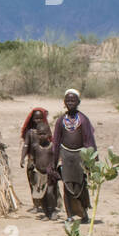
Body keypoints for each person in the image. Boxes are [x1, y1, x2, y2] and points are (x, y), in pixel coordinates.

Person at [51, 89, 97, 221]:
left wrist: (92, 160)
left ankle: (84, 213)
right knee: (66, 185)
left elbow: (89, 141)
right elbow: (56, 141)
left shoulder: (83, 120)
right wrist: (54, 162)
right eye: (68, 100)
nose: (70, 102)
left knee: (81, 185)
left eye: (73, 100)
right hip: (65, 156)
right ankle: (69, 215)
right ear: (64, 102)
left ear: (79, 102)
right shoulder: (61, 121)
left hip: (80, 156)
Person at [19, 107, 58, 218]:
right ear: (32, 119)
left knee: (49, 188)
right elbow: (26, 146)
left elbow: (53, 149)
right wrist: (22, 158)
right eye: (35, 118)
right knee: (34, 184)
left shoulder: (46, 130)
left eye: (40, 118)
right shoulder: (30, 133)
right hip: (33, 161)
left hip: (47, 165)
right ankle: (36, 205)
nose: (38, 120)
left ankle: (51, 208)